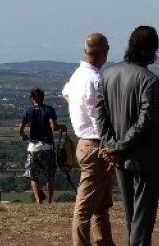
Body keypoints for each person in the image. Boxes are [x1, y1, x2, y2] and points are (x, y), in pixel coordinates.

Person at [96, 26, 159, 246]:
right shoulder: (150, 80)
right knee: (142, 220)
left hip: (119, 158)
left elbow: (100, 114)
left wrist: (112, 147)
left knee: (131, 218)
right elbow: (145, 121)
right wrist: (118, 148)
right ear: (153, 49)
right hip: (145, 158)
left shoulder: (107, 74)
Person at [62, 31, 115, 246]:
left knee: (100, 205)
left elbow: (66, 92)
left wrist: (77, 112)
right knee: (85, 207)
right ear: (104, 53)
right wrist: (109, 147)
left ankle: (105, 242)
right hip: (95, 144)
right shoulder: (96, 80)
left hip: (85, 142)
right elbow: (100, 118)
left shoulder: (77, 76)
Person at [19, 87, 65, 203]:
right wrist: (62, 127)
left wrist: (24, 137)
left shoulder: (27, 111)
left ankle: (38, 199)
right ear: (42, 98)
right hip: (47, 146)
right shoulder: (49, 110)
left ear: (32, 98)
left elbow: (21, 130)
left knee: (33, 175)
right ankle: (49, 201)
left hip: (33, 147)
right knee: (49, 175)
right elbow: (54, 127)